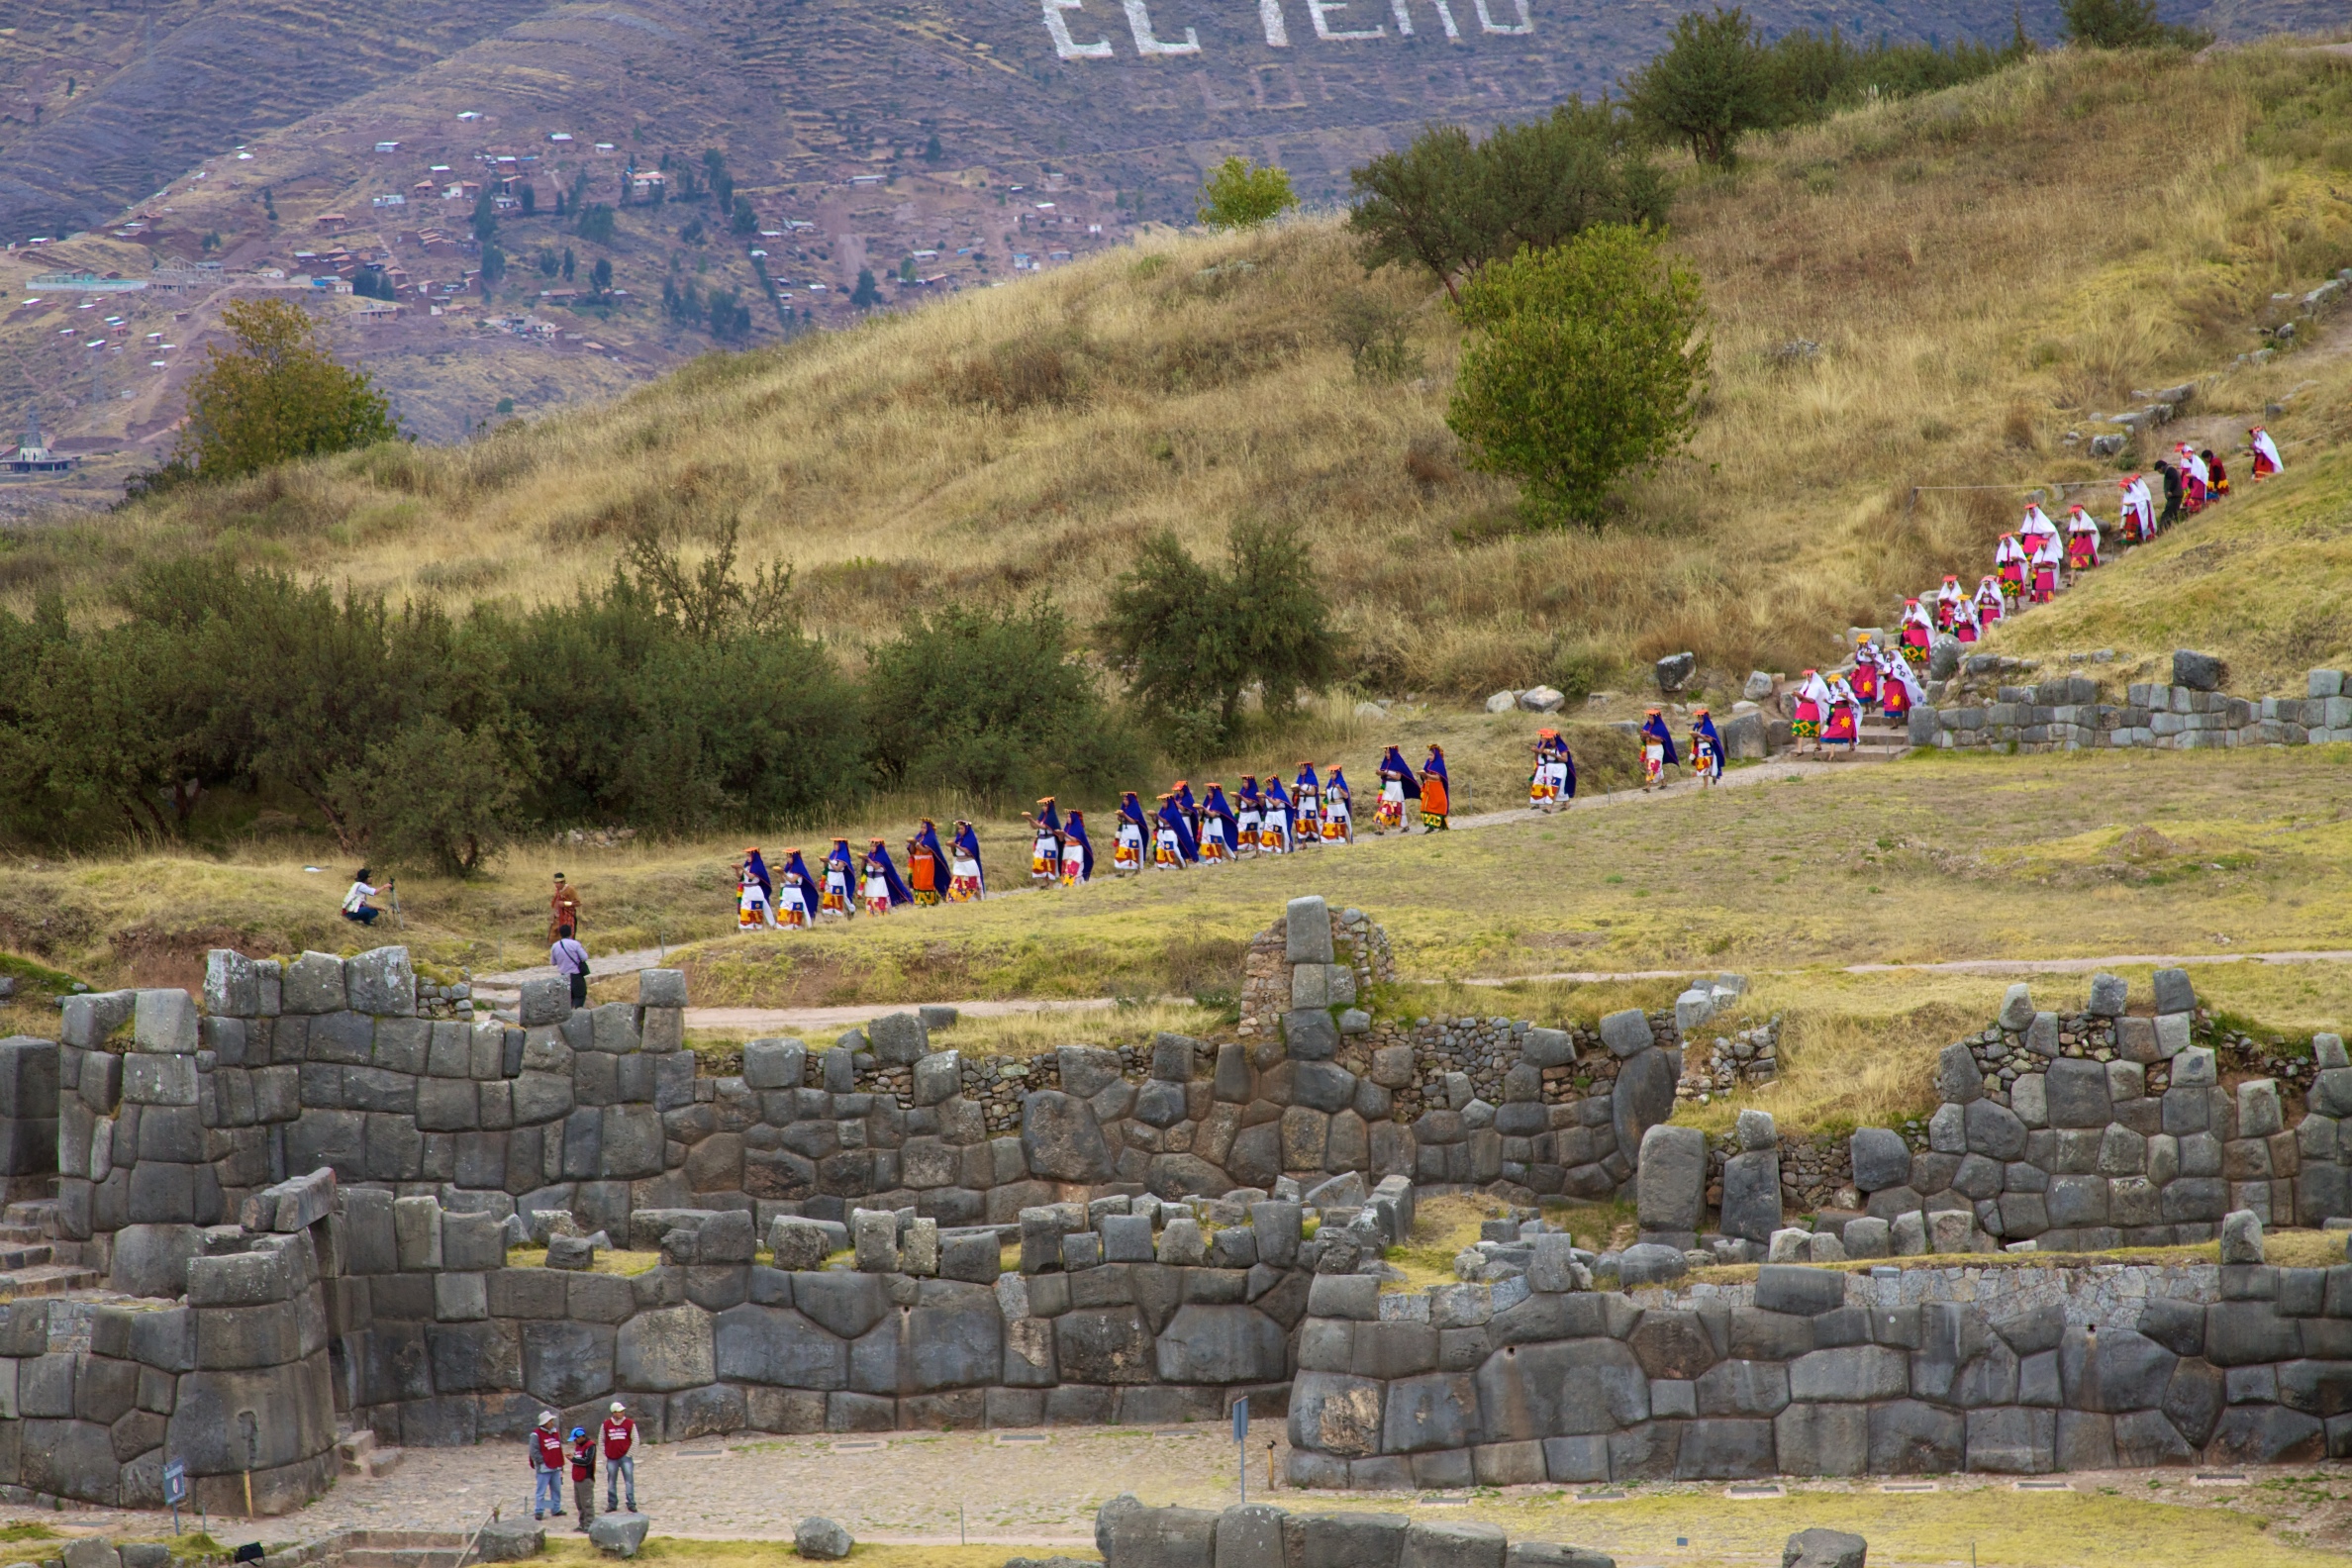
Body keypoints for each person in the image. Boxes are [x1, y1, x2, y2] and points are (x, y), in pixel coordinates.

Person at [859, 838, 913, 916]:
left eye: (874, 846)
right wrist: (864, 860)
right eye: (871, 846)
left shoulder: (882, 855)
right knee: (870, 897)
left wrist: (868, 859)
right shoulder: (870, 855)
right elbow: (862, 868)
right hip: (870, 881)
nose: (872, 848)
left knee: (878, 897)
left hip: (878, 881)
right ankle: (871, 914)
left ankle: (881, 913)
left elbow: (877, 866)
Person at [601, 1401, 637, 1515]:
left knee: (629, 1480)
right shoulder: (606, 1424)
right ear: (614, 1413)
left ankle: (631, 1503)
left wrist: (629, 1454)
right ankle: (612, 1503)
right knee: (611, 1481)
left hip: (625, 1457)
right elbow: (601, 1440)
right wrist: (606, 1452)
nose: (622, 1412)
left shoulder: (630, 1423)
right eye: (620, 1411)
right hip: (612, 1458)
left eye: (622, 1411)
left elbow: (635, 1439)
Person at [531, 1411, 566, 1519]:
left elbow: (558, 1448)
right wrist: (543, 1460)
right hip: (544, 1468)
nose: (552, 1423)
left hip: (555, 1467)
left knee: (556, 1490)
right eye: (550, 1421)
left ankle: (555, 1508)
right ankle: (539, 1510)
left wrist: (560, 1464)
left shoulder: (555, 1433)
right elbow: (534, 1451)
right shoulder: (536, 1435)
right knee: (541, 1491)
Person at [1374, 746, 1418, 833]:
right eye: (1385, 753)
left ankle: (1405, 825)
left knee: (1397, 807)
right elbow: (1383, 774)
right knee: (1385, 806)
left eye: (1388, 753)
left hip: (1395, 787)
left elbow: (1398, 777)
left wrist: (1386, 773)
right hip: (1387, 786)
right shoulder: (1385, 763)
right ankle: (1382, 830)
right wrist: (1379, 773)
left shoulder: (1398, 763)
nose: (1387, 755)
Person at [905, 822, 947, 908]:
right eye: (921, 827)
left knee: (925, 882)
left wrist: (916, 843)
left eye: (924, 827)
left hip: (927, 863)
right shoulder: (919, 837)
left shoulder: (931, 838)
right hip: (918, 864)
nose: (922, 829)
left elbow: (925, 851)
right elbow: (912, 851)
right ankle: (920, 902)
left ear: (929, 828)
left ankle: (931, 901)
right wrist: (912, 843)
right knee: (918, 882)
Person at [1881, 645, 1925, 724]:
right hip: (1889, 687)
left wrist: (1894, 677)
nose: (1890, 657)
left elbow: (1903, 674)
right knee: (1889, 704)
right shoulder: (1887, 664)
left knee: (1896, 702)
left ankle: (1906, 717)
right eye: (1889, 655)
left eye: (1891, 655)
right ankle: (1894, 723)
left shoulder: (1900, 665)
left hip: (1897, 686)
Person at [1026, 799, 1063, 888]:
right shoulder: (1042, 816)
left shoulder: (1052, 816)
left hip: (1049, 841)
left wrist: (1031, 819)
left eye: (1045, 805)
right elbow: (1034, 826)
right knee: (1041, 861)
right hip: (1041, 841)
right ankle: (1045, 881)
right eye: (1043, 806)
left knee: (1049, 861)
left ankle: (1051, 883)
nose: (1043, 807)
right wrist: (1030, 820)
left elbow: (1043, 826)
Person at [1153, 794, 1199, 867]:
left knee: (1172, 850)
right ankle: (1162, 866)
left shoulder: (1172, 812)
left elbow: (1166, 821)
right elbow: (1156, 821)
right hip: (1161, 833)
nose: (1163, 804)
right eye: (1162, 802)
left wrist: (1157, 815)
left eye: (1165, 802)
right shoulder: (1162, 811)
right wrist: (1153, 816)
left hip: (1170, 833)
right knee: (1160, 849)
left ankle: (1181, 865)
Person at [736, 848, 776, 931]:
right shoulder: (747, 866)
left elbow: (751, 876)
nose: (747, 858)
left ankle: (760, 925)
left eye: (749, 856)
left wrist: (742, 869)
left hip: (755, 889)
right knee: (745, 908)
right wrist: (737, 869)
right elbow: (740, 877)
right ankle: (747, 926)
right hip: (746, 890)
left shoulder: (757, 865)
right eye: (747, 856)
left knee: (757, 908)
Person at [1638, 707, 1679, 788]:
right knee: (1655, 767)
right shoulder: (1646, 727)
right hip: (1649, 749)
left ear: (1656, 719)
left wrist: (1650, 735)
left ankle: (1648, 786)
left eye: (1652, 718)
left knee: (1652, 766)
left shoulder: (1660, 728)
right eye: (1649, 718)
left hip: (1657, 749)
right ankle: (1663, 782)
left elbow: (1660, 739)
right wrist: (1643, 735)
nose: (1650, 720)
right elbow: (1642, 739)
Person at [551, 925, 590, 1009]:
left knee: (568, 998)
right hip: (575, 975)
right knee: (580, 995)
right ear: (571, 932)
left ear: (560, 934)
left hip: (563, 976)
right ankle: (576, 1013)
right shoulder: (575, 944)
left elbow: (553, 962)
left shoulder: (555, 946)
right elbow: (584, 957)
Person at [1821, 673, 1860, 756]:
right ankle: (1831, 754)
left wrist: (1845, 697)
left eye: (1836, 682)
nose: (1835, 684)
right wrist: (1827, 701)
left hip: (1845, 713)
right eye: (1834, 683)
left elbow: (1852, 702)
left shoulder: (1846, 689)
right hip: (1836, 713)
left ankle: (1851, 744)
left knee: (1847, 729)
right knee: (1833, 730)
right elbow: (1832, 701)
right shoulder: (1833, 690)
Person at [777, 849, 818, 928]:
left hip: (795, 891)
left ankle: (805, 925)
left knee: (799, 908)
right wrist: (781, 875)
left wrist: (784, 874)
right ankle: (782, 926)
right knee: (784, 908)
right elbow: (784, 880)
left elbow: (792, 880)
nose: (788, 859)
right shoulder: (787, 868)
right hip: (787, 892)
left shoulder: (798, 868)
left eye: (789, 857)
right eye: (787, 857)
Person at [1200, 783, 1238, 863]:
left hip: (1215, 823)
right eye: (1208, 792)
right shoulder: (1208, 802)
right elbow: (1203, 814)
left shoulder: (1218, 801)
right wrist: (1199, 809)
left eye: (1210, 792)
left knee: (1218, 844)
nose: (1209, 794)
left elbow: (1212, 814)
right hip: (1207, 824)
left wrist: (1203, 808)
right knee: (1205, 842)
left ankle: (1231, 859)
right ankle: (1204, 862)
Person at [568, 1425, 597, 1530]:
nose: (574, 1441)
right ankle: (582, 1523)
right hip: (577, 1478)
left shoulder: (590, 1446)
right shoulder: (578, 1446)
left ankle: (589, 1525)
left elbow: (587, 1461)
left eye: (575, 1439)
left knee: (587, 1503)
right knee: (579, 1503)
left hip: (586, 1478)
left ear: (581, 1437)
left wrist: (573, 1459)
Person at [948, 823, 987, 902]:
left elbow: (968, 851)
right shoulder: (958, 839)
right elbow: (955, 853)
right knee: (956, 882)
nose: (960, 830)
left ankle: (976, 899)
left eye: (962, 828)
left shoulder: (971, 839)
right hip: (959, 864)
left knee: (970, 884)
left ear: (966, 829)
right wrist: (952, 846)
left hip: (968, 865)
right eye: (959, 829)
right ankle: (958, 900)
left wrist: (956, 845)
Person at [1790, 670, 1824, 752]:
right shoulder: (1805, 686)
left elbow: (1812, 700)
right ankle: (1799, 750)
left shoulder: (1817, 686)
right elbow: (1801, 698)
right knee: (1798, 726)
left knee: (1812, 728)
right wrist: (1798, 696)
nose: (1809, 678)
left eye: (1810, 676)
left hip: (1811, 708)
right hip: (1803, 708)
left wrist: (1801, 696)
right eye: (1807, 676)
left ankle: (1818, 745)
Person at [1113, 792, 1148, 874]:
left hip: (1133, 831)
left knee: (1133, 851)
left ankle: (1137, 870)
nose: (1124, 801)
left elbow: (1133, 821)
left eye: (1126, 799)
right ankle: (1122, 871)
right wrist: (1119, 817)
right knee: (1122, 850)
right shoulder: (1124, 808)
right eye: (1123, 799)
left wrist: (1124, 815)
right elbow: (1122, 820)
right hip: (1125, 831)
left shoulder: (1135, 808)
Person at [820, 839, 856, 920]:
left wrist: (829, 861)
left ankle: (850, 910)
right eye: (834, 844)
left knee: (841, 896)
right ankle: (828, 914)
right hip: (830, 877)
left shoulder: (843, 856)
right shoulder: (833, 854)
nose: (835, 846)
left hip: (838, 877)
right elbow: (826, 867)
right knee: (829, 895)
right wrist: (825, 862)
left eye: (837, 844)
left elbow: (837, 868)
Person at [1419, 745, 1451, 830]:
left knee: (1438, 807)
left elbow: (1438, 777)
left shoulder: (1439, 764)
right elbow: (1426, 777)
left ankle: (1441, 826)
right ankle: (1430, 826)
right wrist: (1423, 775)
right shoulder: (1428, 763)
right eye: (1428, 755)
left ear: (1435, 755)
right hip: (1429, 789)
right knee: (1425, 806)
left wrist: (1427, 775)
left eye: (1431, 755)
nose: (1429, 757)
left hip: (1436, 789)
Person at [1259, 776, 1294, 854]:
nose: (1269, 787)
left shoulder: (1279, 792)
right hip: (1270, 814)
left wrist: (1267, 797)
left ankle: (1284, 849)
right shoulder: (1268, 792)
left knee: (1281, 831)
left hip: (1279, 814)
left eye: (1270, 784)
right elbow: (1262, 804)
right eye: (1268, 785)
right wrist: (1260, 798)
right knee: (1268, 832)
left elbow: (1275, 803)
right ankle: (1266, 851)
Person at [1060, 809, 1095, 886]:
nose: (1068, 818)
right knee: (1065, 867)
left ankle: (1072, 883)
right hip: (1067, 850)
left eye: (1069, 816)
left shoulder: (1078, 828)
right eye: (1067, 817)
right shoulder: (1067, 827)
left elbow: (1076, 839)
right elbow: (1062, 839)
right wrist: (1061, 834)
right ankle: (1067, 883)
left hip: (1076, 850)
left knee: (1073, 867)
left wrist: (1065, 834)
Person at [1689, 708, 1723, 786]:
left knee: (1705, 766)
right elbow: (1695, 738)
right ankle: (1713, 776)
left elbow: (1710, 740)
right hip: (1699, 748)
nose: (1699, 720)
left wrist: (1700, 735)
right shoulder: (1697, 727)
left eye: (1701, 719)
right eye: (1698, 718)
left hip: (1706, 748)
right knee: (1701, 766)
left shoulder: (1708, 727)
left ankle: (1705, 786)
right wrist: (1694, 736)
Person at [1897, 599, 1933, 670]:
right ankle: (1911, 672)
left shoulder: (1921, 615)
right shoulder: (1908, 616)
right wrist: (1905, 621)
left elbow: (1927, 626)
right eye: (1910, 607)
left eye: (1913, 606)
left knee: (1918, 654)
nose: (1911, 608)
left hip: (1919, 636)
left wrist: (1919, 623)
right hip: (1909, 636)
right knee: (1908, 653)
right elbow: (1903, 627)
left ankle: (1920, 672)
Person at [1993, 534, 2027, 609]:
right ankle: (2004, 606)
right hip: (2006, 570)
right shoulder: (2002, 550)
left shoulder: (2016, 548)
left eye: (2008, 541)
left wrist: (2017, 558)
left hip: (2015, 570)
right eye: (2005, 542)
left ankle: (2016, 603)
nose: (2006, 543)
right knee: (2005, 589)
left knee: (2015, 587)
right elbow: (1999, 561)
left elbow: (2023, 560)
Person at [2064, 505, 2102, 574]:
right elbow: (2072, 533)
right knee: (2074, 559)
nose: (2076, 516)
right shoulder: (2075, 523)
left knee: (2089, 559)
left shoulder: (2087, 521)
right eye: (2075, 515)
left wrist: (2084, 531)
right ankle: (2072, 581)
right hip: (2077, 542)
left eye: (2077, 515)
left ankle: (2094, 575)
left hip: (2086, 542)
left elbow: (2093, 531)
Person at [2027, 532, 2062, 605]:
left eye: (2044, 545)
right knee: (2040, 589)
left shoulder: (2052, 554)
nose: (2043, 547)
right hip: (2040, 575)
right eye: (2042, 545)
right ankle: (2040, 602)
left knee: (2048, 590)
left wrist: (2046, 565)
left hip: (2048, 574)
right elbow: (2035, 565)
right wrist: (2040, 565)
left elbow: (2054, 566)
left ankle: (2049, 602)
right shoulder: (2038, 554)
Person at [1291, 763, 1321, 846]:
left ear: (1307, 769)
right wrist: (1295, 791)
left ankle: (1318, 839)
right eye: (1300, 768)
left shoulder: (1312, 779)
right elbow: (1297, 792)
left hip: (1310, 801)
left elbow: (1313, 792)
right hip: (1301, 803)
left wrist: (1301, 789)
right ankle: (1303, 843)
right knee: (1301, 821)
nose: (1301, 770)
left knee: (1312, 820)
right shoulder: (1299, 779)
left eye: (1303, 768)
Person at [1232, 777, 1263, 858]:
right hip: (1243, 815)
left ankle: (1258, 852)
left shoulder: (1254, 792)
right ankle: (1236, 854)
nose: (1244, 784)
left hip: (1252, 815)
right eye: (1243, 782)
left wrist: (1241, 796)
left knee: (1255, 833)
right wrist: (1237, 797)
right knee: (1239, 832)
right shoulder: (1242, 791)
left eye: (1246, 782)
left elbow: (1250, 803)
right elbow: (1237, 804)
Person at [1322, 766, 1354, 842]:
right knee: (1331, 824)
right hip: (1331, 807)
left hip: (1339, 807)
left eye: (1333, 774)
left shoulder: (1341, 783)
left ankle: (1349, 842)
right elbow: (1328, 794)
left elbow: (1346, 796)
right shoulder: (1330, 783)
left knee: (1342, 824)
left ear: (1337, 774)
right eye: (1331, 774)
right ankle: (1334, 842)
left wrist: (1339, 789)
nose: (1332, 775)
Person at [2117, 474, 2153, 543]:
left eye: (2126, 487)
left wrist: (2134, 504)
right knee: (2131, 529)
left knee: (2144, 526)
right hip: (2131, 516)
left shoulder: (2138, 493)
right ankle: (2133, 541)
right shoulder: (2127, 494)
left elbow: (2142, 502)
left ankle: (2148, 538)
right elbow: (2125, 503)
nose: (2126, 489)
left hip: (2138, 514)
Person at [548, 873, 581, 942]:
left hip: (567, 917)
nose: (556, 885)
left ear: (562, 882)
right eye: (555, 883)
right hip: (557, 917)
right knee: (553, 937)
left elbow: (578, 903)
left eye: (558, 883)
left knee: (567, 936)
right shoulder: (558, 890)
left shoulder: (570, 889)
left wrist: (565, 903)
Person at [2157, 459, 2182, 529]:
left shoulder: (2169, 470)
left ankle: (2162, 530)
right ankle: (2174, 527)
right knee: (2173, 514)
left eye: (2158, 470)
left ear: (2161, 467)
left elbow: (2175, 479)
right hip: (2177, 495)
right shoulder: (2171, 469)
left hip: (2174, 496)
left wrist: (2170, 490)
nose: (2159, 472)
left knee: (2166, 514)